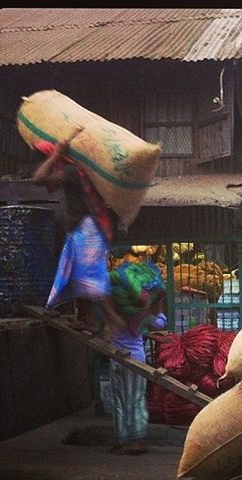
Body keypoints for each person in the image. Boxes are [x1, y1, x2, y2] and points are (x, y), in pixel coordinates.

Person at [33, 128, 126, 336]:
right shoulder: (76, 171)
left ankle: (112, 319)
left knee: (89, 276)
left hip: (89, 228)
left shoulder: (72, 171)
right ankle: (87, 319)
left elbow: (39, 178)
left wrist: (56, 153)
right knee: (77, 273)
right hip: (84, 228)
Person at [108, 265, 167, 455]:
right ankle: (137, 440)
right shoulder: (142, 313)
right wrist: (158, 306)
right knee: (136, 399)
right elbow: (160, 323)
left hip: (116, 358)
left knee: (119, 400)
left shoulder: (113, 311)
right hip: (135, 360)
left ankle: (123, 440)